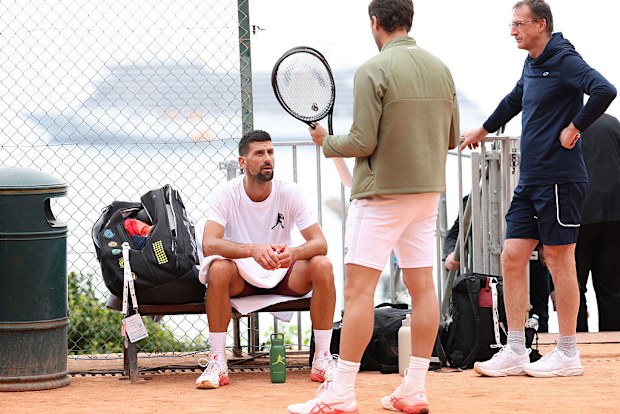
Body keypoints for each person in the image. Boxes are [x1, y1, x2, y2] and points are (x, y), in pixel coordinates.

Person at [289, 0, 459, 412]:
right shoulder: (441, 69)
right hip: (426, 195)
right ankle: (414, 387)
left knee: (359, 290)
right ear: (410, 20)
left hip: (381, 196)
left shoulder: (373, 69)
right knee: (423, 289)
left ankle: (342, 392)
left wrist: (326, 142)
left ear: (375, 22)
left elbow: (363, 141)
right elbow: (452, 139)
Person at [461, 0, 616, 378]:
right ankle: (515, 349)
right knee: (511, 256)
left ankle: (567, 352)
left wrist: (575, 126)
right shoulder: (532, 61)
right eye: (511, 24)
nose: (512, 30)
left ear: (540, 24)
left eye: (518, 24)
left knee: (559, 260)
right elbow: (516, 99)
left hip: (561, 178)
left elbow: (604, 89)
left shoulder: (563, 58)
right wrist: (483, 130)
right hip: (531, 179)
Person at [195, 129, 337, 389]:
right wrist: (252, 250)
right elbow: (209, 244)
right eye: (259, 153)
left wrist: (292, 253)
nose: (267, 158)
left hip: (283, 271)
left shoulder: (290, 192)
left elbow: (320, 243)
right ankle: (218, 361)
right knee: (217, 268)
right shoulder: (226, 194)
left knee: (323, 265)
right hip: (242, 275)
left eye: (270, 152)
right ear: (242, 162)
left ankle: (322, 359)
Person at [443, 195, 551, 332]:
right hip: (487, 272)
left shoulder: (534, 194)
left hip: (533, 270)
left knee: (537, 319)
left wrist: (545, 246)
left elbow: (548, 229)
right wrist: (451, 253)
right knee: (490, 319)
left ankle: (536, 350)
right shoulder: (475, 199)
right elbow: (455, 234)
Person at [576, 113, 620, 332]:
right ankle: (614, 338)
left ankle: (576, 341)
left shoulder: (571, 126)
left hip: (580, 214)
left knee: (575, 286)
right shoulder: (614, 124)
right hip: (614, 213)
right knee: (611, 286)